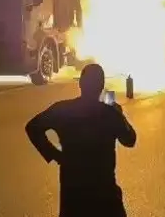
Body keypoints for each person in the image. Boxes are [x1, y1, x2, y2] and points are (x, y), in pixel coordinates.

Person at [25, 63, 137, 217]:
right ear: (101, 86)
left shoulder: (63, 109)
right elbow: (130, 140)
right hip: (105, 198)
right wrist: (119, 114)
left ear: (80, 84)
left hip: (73, 198)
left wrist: (55, 155)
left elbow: (32, 127)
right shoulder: (109, 113)